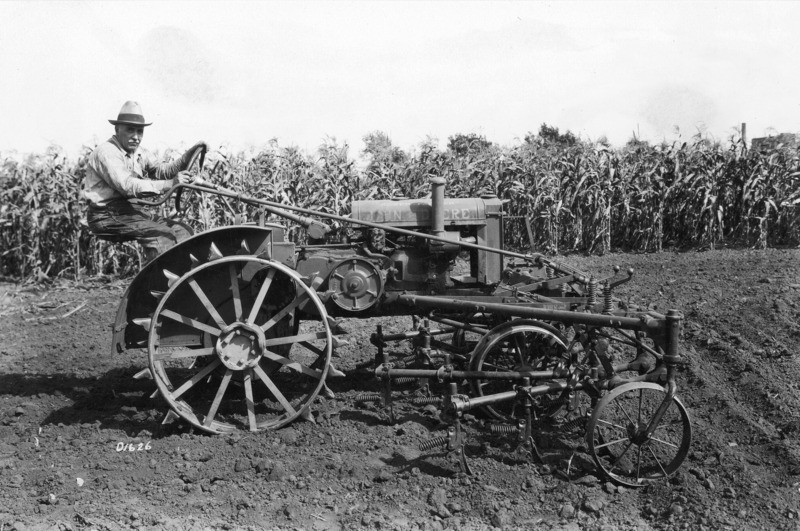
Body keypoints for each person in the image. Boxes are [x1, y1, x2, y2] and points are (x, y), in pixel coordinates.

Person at [83, 100, 207, 263]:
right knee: (161, 236)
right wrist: (170, 184)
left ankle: (184, 280)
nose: (136, 137)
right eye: (130, 130)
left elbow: (164, 170)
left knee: (182, 230)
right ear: (117, 129)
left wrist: (189, 154)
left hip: (129, 211)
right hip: (105, 214)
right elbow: (127, 185)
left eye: (140, 131)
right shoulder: (106, 153)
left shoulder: (139, 153)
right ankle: (156, 286)